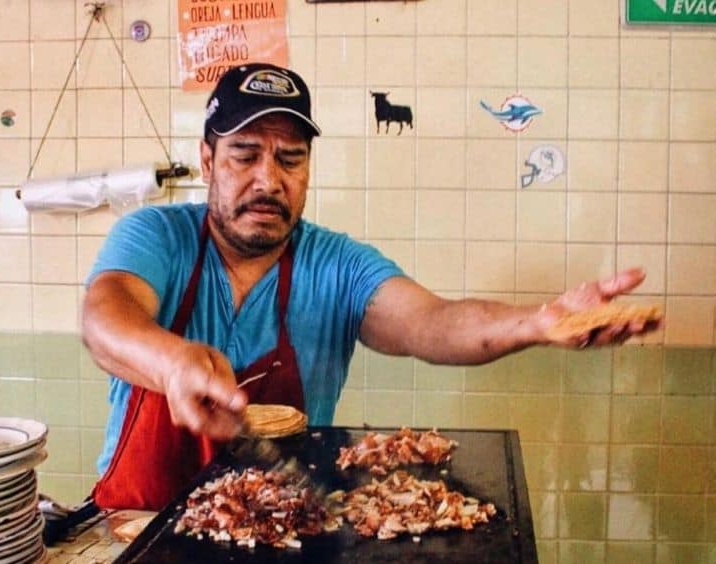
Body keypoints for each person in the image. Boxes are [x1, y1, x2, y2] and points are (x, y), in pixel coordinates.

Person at [82, 63, 660, 510]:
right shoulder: (158, 236)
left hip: (282, 523)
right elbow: (106, 316)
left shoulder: (336, 264)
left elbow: (431, 322)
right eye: (245, 155)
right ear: (208, 161)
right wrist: (172, 363)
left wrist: (534, 322)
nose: (268, 179)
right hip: (140, 523)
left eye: (290, 159)